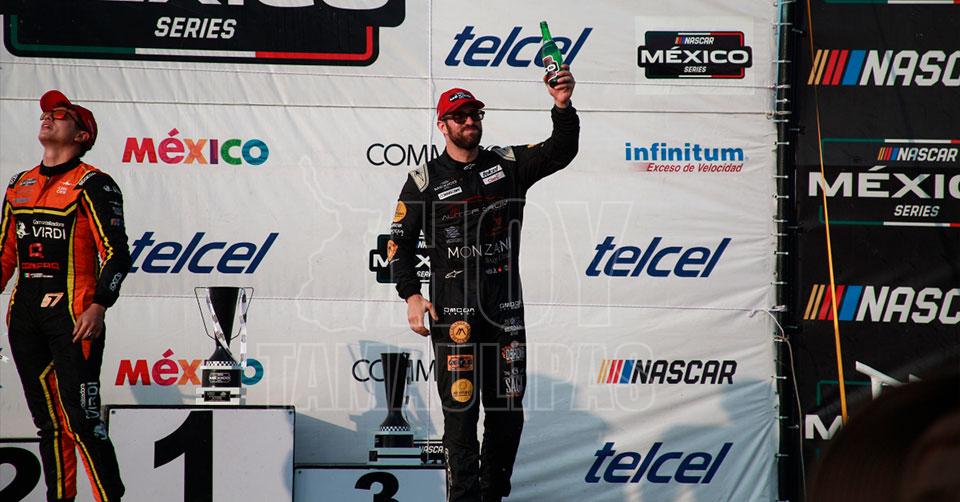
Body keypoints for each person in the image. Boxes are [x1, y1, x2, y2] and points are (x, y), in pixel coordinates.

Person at [388, 66, 578, 501]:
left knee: (508, 412)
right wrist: (412, 294)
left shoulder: (506, 165)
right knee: (460, 415)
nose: (470, 121)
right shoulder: (424, 181)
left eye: (475, 114)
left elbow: (561, 150)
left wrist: (562, 106)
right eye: (460, 116)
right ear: (443, 125)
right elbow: (399, 242)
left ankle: (492, 495)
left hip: (504, 311)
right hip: (453, 312)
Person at [2, 90, 131, 502]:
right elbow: (5, 254)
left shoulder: (94, 183)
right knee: (49, 424)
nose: (48, 117)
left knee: (82, 420)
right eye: (45, 113)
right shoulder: (19, 184)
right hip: (25, 316)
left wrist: (100, 305)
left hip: (74, 317)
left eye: (60, 115)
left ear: (81, 135)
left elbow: (117, 253)